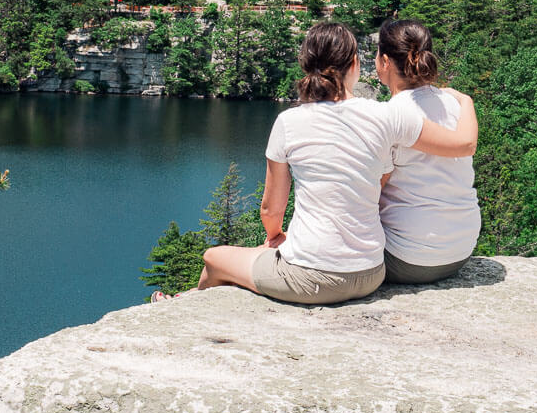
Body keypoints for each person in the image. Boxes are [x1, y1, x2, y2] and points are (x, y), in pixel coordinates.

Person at [153, 22, 478, 306]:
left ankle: (184, 308)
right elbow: (460, 145)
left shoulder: (290, 122)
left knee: (214, 258)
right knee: (273, 249)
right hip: (375, 268)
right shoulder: (386, 115)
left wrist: (277, 236)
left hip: (338, 272)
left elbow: (270, 211)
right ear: (355, 65)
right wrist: (465, 101)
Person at [376, 19, 480, 284]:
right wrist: (467, 99)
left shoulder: (390, 116)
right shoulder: (455, 103)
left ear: (385, 62)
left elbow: (371, 192)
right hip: (460, 251)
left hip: (406, 258)